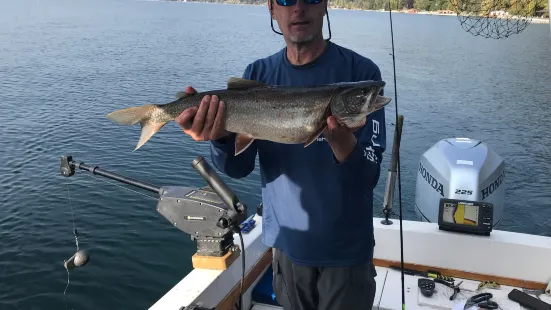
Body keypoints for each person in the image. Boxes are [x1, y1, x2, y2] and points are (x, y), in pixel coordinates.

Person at [175, 0, 387, 308]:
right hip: (286, 249)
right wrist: (220, 137)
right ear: (272, 10)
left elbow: (368, 176)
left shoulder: (361, 74)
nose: (298, 8)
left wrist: (341, 143)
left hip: (347, 254)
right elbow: (237, 168)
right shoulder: (257, 74)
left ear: (325, 5)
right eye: (286, 0)